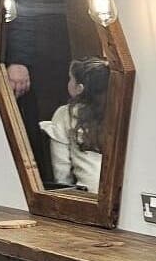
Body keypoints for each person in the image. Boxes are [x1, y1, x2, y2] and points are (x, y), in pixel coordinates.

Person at [37, 58, 108, 191]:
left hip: (87, 193)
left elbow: (61, 166)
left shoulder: (65, 113)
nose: (68, 82)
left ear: (79, 88)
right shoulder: (116, 113)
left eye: (70, 79)